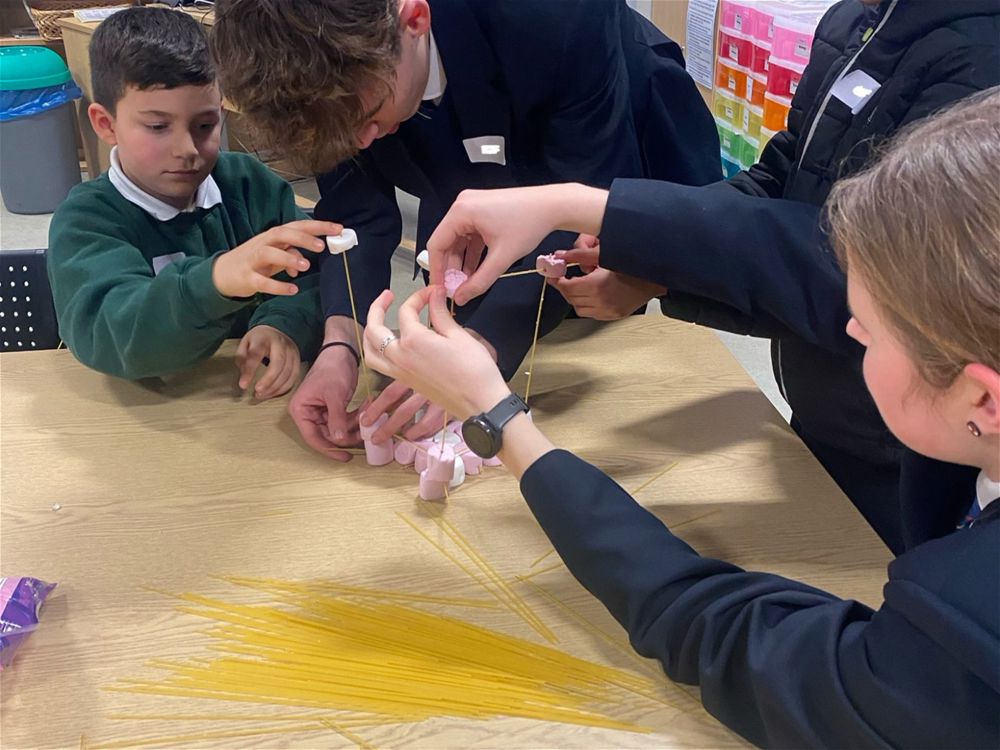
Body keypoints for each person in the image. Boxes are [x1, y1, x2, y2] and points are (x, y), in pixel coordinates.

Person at [362, 91, 1000, 748]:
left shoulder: (968, 631)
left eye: (871, 329)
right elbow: (779, 243)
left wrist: (498, 416)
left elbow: (743, 645)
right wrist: (602, 226)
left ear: (983, 400)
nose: (849, 328)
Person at [435, 0, 1000, 553]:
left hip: (914, 447)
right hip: (829, 417)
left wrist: (592, 208)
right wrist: (650, 265)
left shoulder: (978, 55)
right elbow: (781, 178)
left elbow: (864, 274)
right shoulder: (862, 18)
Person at [210, 0, 721, 457]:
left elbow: (579, 204)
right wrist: (341, 340)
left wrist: (484, 344)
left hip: (607, 129)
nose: (362, 145)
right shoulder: (329, 80)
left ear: (413, 19)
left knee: (610, 324)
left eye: (365, 120)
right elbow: (356, 213)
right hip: (459, 137)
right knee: (462, 292)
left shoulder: (556, 17)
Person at [48, 7, 340, 398]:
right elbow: (112, 334)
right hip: (145, 413)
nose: (187, 150)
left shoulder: (252, 186)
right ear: (105, 124)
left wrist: (281, 325)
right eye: (157, 127)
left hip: (243, 406)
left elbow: (316, 279)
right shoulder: (85, 221)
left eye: (205, 126)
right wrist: (215, 280)